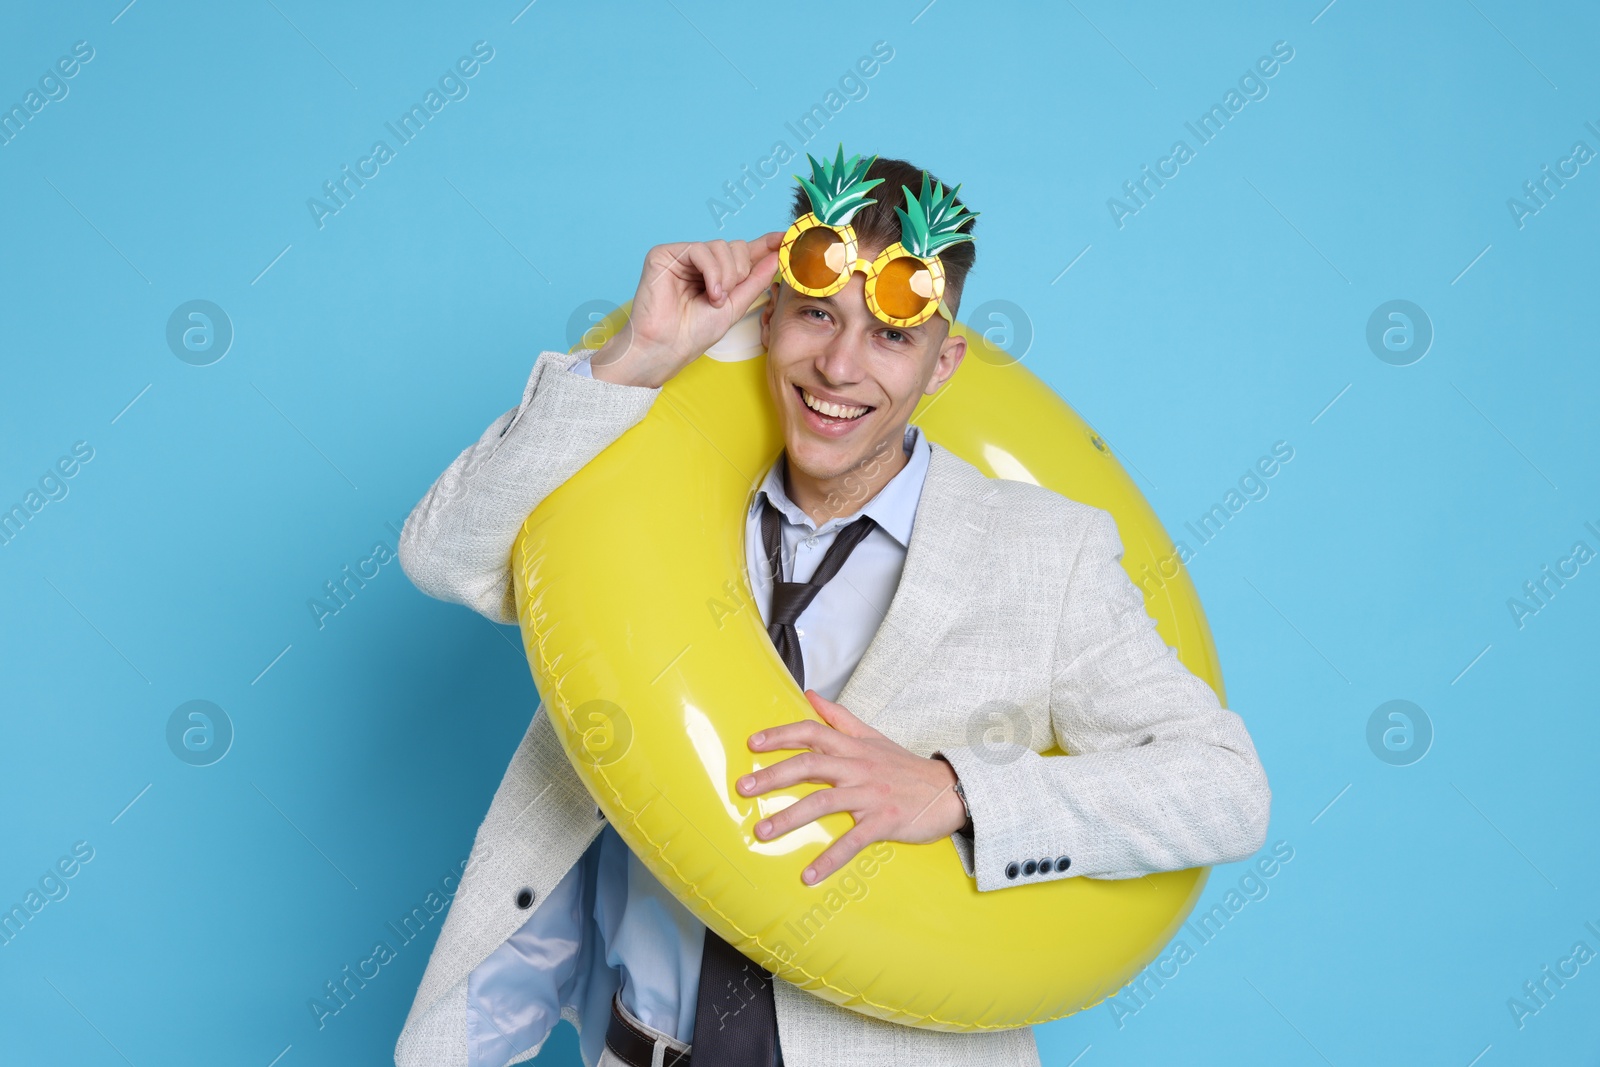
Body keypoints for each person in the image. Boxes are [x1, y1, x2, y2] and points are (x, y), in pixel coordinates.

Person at [393, 150, 1271, 1067]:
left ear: (944, 364)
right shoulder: (646, 479)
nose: (840, 365)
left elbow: (1226, 786)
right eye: (817, 314)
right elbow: (442, 557)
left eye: (893, 336)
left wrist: (958, 789)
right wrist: (637, 357)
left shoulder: (1046, 551)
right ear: (768, 318)